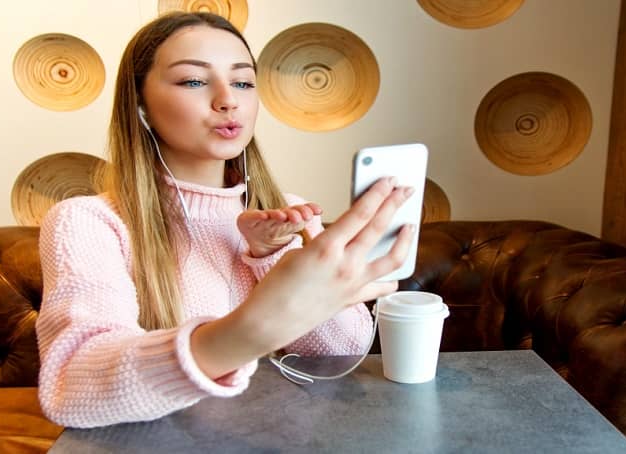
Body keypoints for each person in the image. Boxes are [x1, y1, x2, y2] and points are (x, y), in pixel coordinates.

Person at [35, 11, 414, 429]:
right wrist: (251, 330)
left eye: (243, 82)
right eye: (194, 81)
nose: (228, 99)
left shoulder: (290, 210)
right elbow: (73, 386)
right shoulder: (87, 222)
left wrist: (271, 258)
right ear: (140, 106)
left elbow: (343, 350)